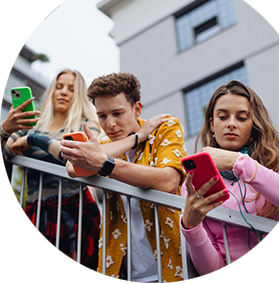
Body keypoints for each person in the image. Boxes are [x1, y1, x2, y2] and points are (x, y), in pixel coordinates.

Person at [60, 72, 188, 282]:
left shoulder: (164, 126)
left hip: (172, 265)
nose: (109, 124)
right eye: (102, 116)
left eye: (117, 113)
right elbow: (72, 168)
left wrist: (105, 164)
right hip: (121, 271)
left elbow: (168, 181)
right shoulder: (103, 148)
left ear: (137, 109)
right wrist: (135, 138)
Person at [180, 80, 279, 280]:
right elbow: (213, 271)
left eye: (242, 117)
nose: (231, 123)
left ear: (254, 124)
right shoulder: (195, 182)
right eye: (222, 116)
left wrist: (239, 163)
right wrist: (192, 228)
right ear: (212, 124)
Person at [2, 69, 102, 271]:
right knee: (40, 271)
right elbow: (7, 151)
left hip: (76, 208)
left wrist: (34, 140)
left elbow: (80, 155)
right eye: (59, 86)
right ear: (51, 92)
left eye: (71, 89)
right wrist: (5, 129)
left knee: (75, 272)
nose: (63, 92)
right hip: (36, 211)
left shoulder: (87, 126)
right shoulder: (31, 125)